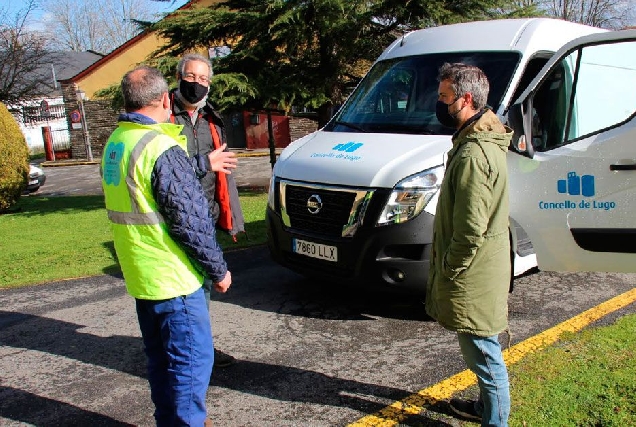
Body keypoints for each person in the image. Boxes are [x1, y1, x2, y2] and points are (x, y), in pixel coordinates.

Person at [101, 65, 236, 426]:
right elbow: (189, 221)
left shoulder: (117, 141)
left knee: (161, 364)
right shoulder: (159, 146)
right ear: (165, 98)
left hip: (142, 276)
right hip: (174, 278)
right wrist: (218, 270)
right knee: (190, 366)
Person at [425, 62, 513, 427]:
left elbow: (470, 230)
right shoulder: (475, 141)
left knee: (484, 352)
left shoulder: (475, 153)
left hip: (473, 274)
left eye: (445, 97)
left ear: (465, 99)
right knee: (481, 347)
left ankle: (496, 421)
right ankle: (485, 409)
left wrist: (449, 269)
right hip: (481, 269)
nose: (440, 104)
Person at [170, 53, 245, 369]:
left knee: (201, 289)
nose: (196, 84)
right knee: (181, 292)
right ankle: (190, 356)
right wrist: (206, 164)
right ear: (178, 77)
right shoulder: (164, 118)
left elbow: (222, 175)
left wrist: (231, 215)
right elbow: (162, 172)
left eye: (203, 79)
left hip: (206, 216)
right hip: (174, 218)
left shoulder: (212, 119)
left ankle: (199, 351)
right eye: (191, 76)